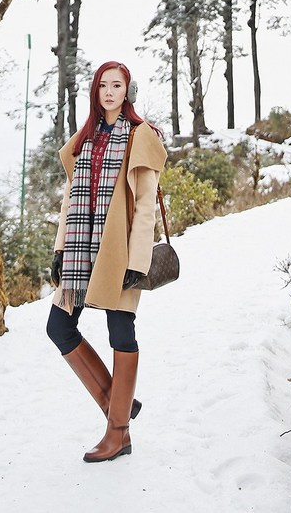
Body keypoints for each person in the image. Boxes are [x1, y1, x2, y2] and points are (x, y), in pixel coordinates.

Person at [46, 60, 167, 463]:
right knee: (58, 326)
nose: (110, 92)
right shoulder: (86, 137)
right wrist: (60, 250)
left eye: (117, 85)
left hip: (118, 249)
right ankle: (119, 407)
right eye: (103, 85)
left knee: (121, 330)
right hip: (80, 247)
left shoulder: (140, 136)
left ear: (127, 91)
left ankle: (118, 432)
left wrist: (137, 261)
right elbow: (69, 199)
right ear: (95, 92)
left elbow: (146, 204)